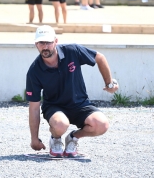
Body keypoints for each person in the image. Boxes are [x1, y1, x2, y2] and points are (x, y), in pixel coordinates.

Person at [26, 25, 119, 158]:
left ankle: (73, 138)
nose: (45, 46)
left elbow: (100, 57)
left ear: (56, 41)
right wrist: (34, 139)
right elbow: (34, 108)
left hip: (80, 104)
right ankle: (56, 139)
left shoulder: (72, 51)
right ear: (36, 44)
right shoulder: (34, 71)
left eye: (48, 42)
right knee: (60, 124)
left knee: (102, 125)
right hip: (55, 107)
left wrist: (109, 83)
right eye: (41, 42)